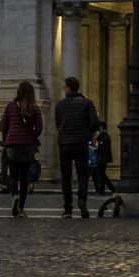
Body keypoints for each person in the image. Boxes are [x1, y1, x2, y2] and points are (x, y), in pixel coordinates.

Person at [53, 76, 101, 218]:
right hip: (81, 143)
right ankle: (82, 200)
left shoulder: (60, 105)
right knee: (82, 174)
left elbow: (58, 124)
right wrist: (89, 132)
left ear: (68, 88)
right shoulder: (87, 103)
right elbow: (95, 122)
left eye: (64, 87)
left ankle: (67, 209)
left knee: (66, 177)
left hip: (65, 144)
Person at [0, 79, 42, 217]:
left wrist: (7, 140)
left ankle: (15, 196)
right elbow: (39, 128)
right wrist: (31, 135)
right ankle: (21, 208)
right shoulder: (35, 108)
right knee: (24, 179)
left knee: (13, 176)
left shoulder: (10, 106)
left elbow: (4, 126)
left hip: (13, 146)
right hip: (27, 146)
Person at [89, 119, 115, 195]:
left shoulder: (104, 136)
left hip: (102, 158)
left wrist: (95, 150)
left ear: (101, 127)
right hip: (103, 158)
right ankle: (102, 191)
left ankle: (112, 188)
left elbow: (102, 148)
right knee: (101, 175)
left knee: (102, 175)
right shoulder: (104, 136)